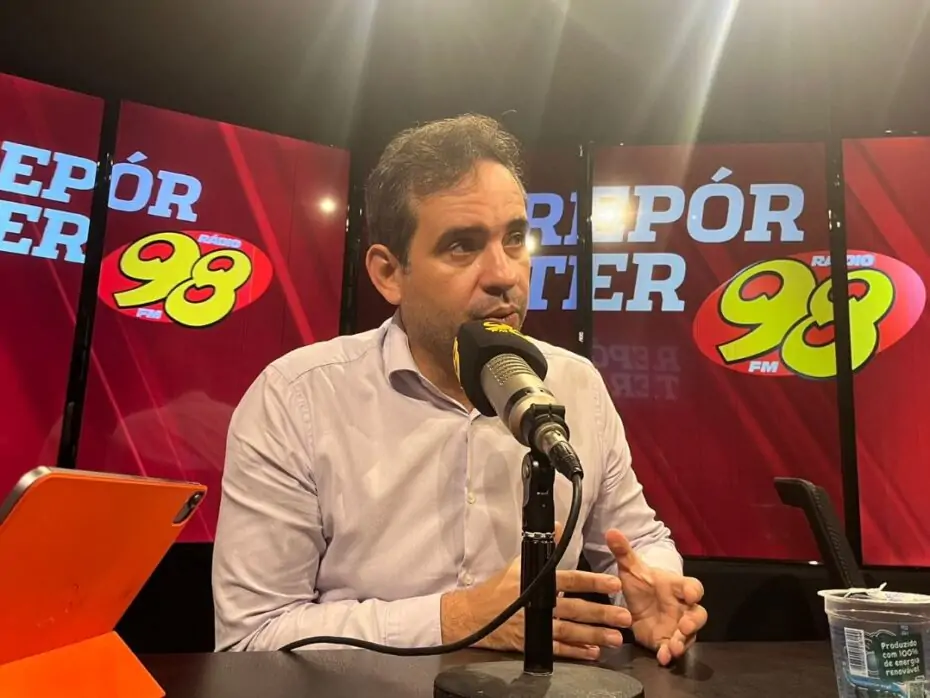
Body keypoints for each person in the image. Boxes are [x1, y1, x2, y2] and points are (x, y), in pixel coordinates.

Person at [212, 114, 707, 665]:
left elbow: (637, 543)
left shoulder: (576, 384)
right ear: (388, 273)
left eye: (515, 238)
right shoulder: (296, 398)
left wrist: (655, 588)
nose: (504, 275)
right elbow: (253, 636)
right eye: (461, 246)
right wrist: (457, 619)